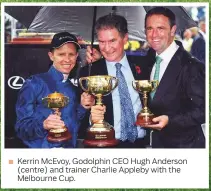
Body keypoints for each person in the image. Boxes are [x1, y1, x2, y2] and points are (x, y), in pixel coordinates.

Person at [79, 14, 153, 148]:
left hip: (141, 145)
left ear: (125, 38)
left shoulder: (144, 66)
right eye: (102, 42)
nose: (107, 48)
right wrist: (91, 117)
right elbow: (80, 121)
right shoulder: (89, 72)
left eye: (112, 41)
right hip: (104, 147)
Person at [15, 32, 95, 148]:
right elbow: (21, 128)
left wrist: (82, 107)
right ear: (51, 56)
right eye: (61, 54)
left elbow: (72, 124)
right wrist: (43, 125)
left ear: (77, 56)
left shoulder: (73, 88)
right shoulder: (34, 83)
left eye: (71, 54)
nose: (67, 59)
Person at [143, 7, 205, 148]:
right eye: (149, 28)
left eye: (160, 28)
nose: (154, 34)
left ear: (172, 30)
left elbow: (202, 110)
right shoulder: (148, 60)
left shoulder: (192, 66)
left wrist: (170, 120)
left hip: (185, 149)